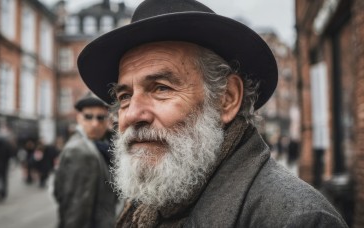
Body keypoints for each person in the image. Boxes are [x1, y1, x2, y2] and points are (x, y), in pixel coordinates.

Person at [76, 0, 348, 227]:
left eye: (161, 88)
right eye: (125, 96)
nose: (133, 114)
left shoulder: (296, 219)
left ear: (227, 99)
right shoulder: (151, 201)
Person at [53, 92, 116, 228]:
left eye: (101, 118)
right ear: (79, 118)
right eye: (88, 117)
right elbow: (76, 209)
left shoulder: (103, 145)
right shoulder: (80, 151)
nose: (94, 124)